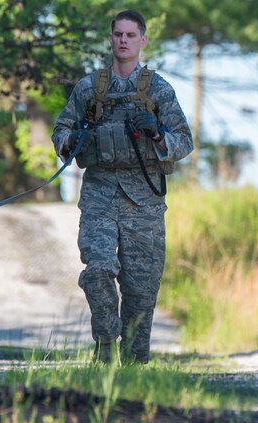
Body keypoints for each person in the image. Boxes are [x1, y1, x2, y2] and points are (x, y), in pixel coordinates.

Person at [51, 9, 193, 363]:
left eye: (131, 35)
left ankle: (133, 366)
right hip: (100, 192)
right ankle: (104, 346)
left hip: (143, 200)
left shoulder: (158, 90)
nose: (124, 40)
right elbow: (60, 132)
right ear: (111, 39)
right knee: (97, 270)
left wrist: (158, 134)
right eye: (118, 34)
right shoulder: (90, 88)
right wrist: (74, 140)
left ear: (143, 40)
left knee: (141, 293)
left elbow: (184, 140)